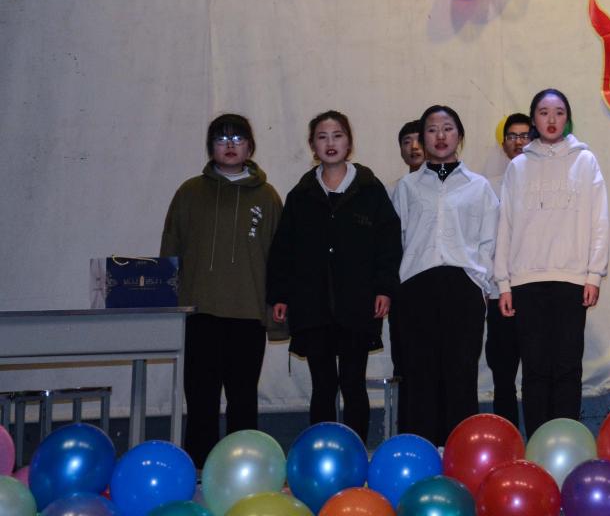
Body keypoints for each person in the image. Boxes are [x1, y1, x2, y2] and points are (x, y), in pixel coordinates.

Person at [267, 111, 401, 440]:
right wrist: (280, 295)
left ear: (349, 143)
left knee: (353, 383)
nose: (330, 143)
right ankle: (322, 451)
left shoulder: (370, 191)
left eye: (337, 135)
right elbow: (283, 250)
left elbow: (388, 244)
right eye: (322, 137)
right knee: (323, 385)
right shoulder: (300, 195)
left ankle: (355, 453)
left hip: (357, 305)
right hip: (312, 306)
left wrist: (384, 288)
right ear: (313, 146)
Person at [161, 113, 282, 465]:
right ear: (210, 147)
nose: (230, 145)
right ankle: (199, 470)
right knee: (201, 399)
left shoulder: (268, 196)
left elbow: (279, 258)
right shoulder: (189, 192)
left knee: (243, 399)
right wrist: (168, 304)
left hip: (248, 314)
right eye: (221, 139)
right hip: (200, 312)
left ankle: (245, 469)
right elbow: (171, 250)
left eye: (238, 139)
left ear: (250, 147)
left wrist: (276, 306)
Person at [496, 89, 608, 436]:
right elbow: (505, 225)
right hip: (526, 280)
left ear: (567, 118)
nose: (551, 119)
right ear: (534, 119)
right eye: (544, 113)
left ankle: (566, 441)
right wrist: (503, 283)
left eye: (559, 112)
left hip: (571, 278)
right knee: (534, 369)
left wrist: (594, 274)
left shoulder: (585, 161)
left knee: (567, 367)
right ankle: (538, 442)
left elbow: (599, 221)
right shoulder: (518, 166)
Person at [389, 104, 499, 445]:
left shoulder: (478, 186)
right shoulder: (407, 187)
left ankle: (459, 454)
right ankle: (420, 454)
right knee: (419, 375)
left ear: (459, 136)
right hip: (416, 287)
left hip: (462, 287)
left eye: (448, 129)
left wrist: (480, 283)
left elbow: (489, 239)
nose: (440, 136)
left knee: (460, 374)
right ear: (422, 138)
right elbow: (397, 238)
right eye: (432, 129)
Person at [480, 111, 531, 430]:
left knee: (537, 370)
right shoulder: (488, 187)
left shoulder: (541, 184)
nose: (519, 142)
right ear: (503, 144)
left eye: (525, 135)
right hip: (499, 292)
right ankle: (505, 435)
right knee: (503, 372)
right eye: (512, 136)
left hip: (534, 288)